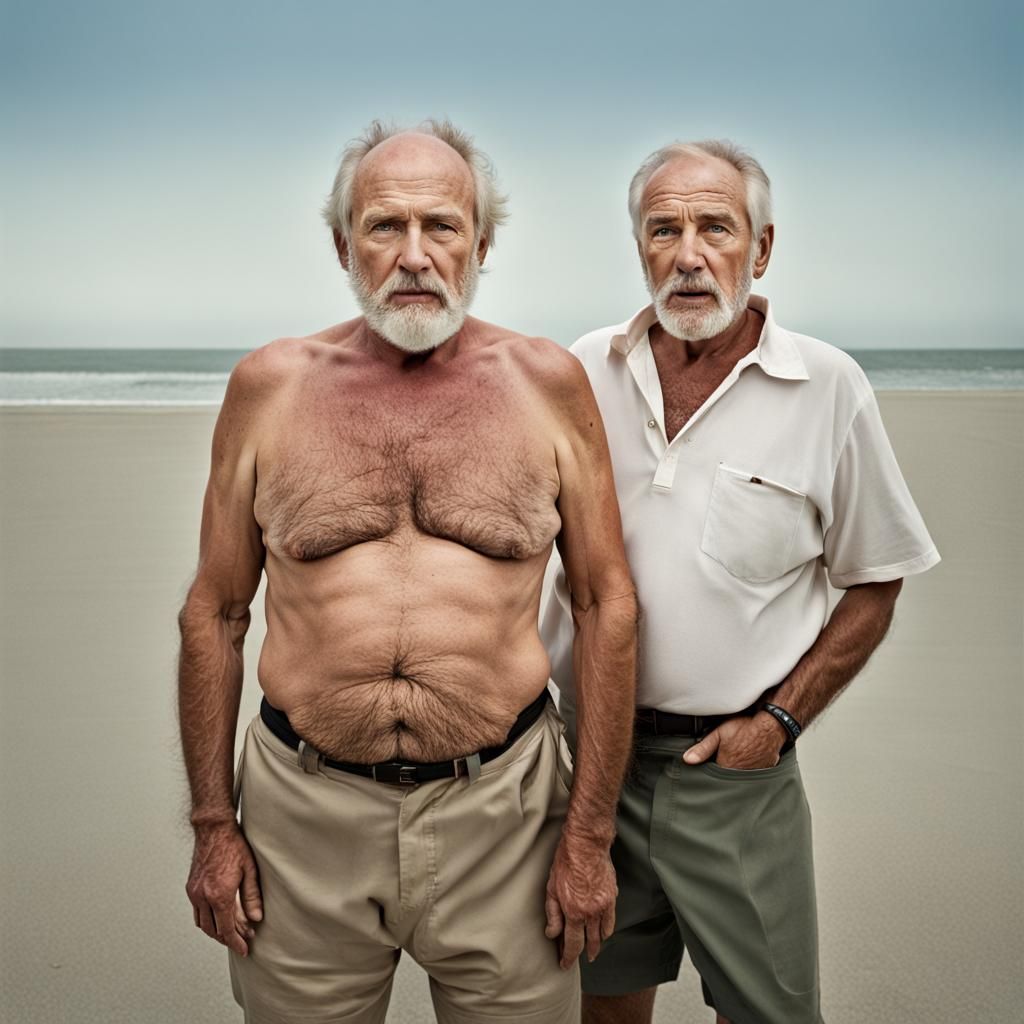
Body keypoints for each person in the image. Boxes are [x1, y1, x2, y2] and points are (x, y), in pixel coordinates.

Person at [178, 118, 637, 1024]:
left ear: (482, 242)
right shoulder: (269, 386)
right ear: (343, 242)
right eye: (386, 227)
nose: (415, 255)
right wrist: (211, 826)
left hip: (504, 817)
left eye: (443, 226)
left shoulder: (547, 384)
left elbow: (604, 603)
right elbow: (217, 613)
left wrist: (587, 836)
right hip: (302, 822)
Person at [541, 139, 940, 1024]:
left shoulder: (827, 385)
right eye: (664, 229)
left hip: (734, 773)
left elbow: (877, 580)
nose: (688, 254)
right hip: (584, 768)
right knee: (601, 1007)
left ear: (760, 249)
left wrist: (781, 721)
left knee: (769, 1014)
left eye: (715, 227)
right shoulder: (582, 371)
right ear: (638, 245)